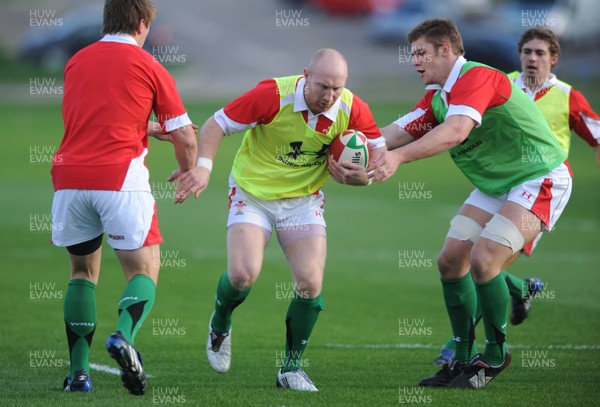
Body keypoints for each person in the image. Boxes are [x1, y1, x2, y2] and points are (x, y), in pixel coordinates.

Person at [371, 18, 572, 389]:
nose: (414, 61)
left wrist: (397, 160)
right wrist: (350, 151)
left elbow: (455, 132)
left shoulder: (477, 77)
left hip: (539, 176)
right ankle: (462, 356)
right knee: (450, 260)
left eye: (420, 53)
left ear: (446, 49)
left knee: (484, 259)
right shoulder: (438, 96)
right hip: (496, 185)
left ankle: (495, 355)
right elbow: (395, 132)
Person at [172, 48, 385, 391]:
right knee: (242, 275)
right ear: (305, 76)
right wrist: (204, 167)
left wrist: (367, 177)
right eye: (322, 87)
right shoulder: (272, 95)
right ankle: (221, 322)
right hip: (252, 195)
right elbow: (216, 124)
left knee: (310, 284)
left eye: (337, 88)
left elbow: (380, 155)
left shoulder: (352, 107)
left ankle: (290, 369)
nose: (329, 96)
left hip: (303, 202)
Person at [50, 0, 197, 395]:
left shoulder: (77, 61)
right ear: (143, 23)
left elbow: (98, 117)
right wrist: (187, 170)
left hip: (69, 180)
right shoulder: (150, 66)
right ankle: (123, 336)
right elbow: (185, 136)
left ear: (107, 20)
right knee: (143, 271)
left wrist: (145, 127)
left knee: (81, 274)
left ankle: (79, 375)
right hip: (120, 180)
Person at [433, 26, 600, 367]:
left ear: (553, 59)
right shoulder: (501, 83)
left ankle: (467, 344)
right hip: (499, 182)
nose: (532, 59)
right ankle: (515, 295)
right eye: (527, 52)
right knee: (469, 260)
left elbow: (597, 135)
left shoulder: (567, 96)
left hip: (539, 188)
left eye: (540, 53)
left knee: (485, 261)